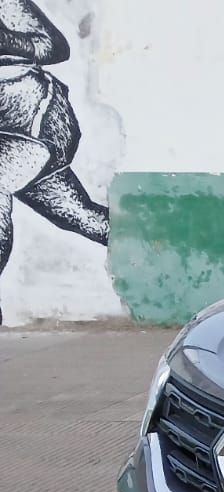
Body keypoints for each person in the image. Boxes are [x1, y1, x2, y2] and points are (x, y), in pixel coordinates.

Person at [0, 0, 109, 323]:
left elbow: (54, 46)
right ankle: (157, 240)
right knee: (80, 217)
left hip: (31, 117)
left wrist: (7, 41)